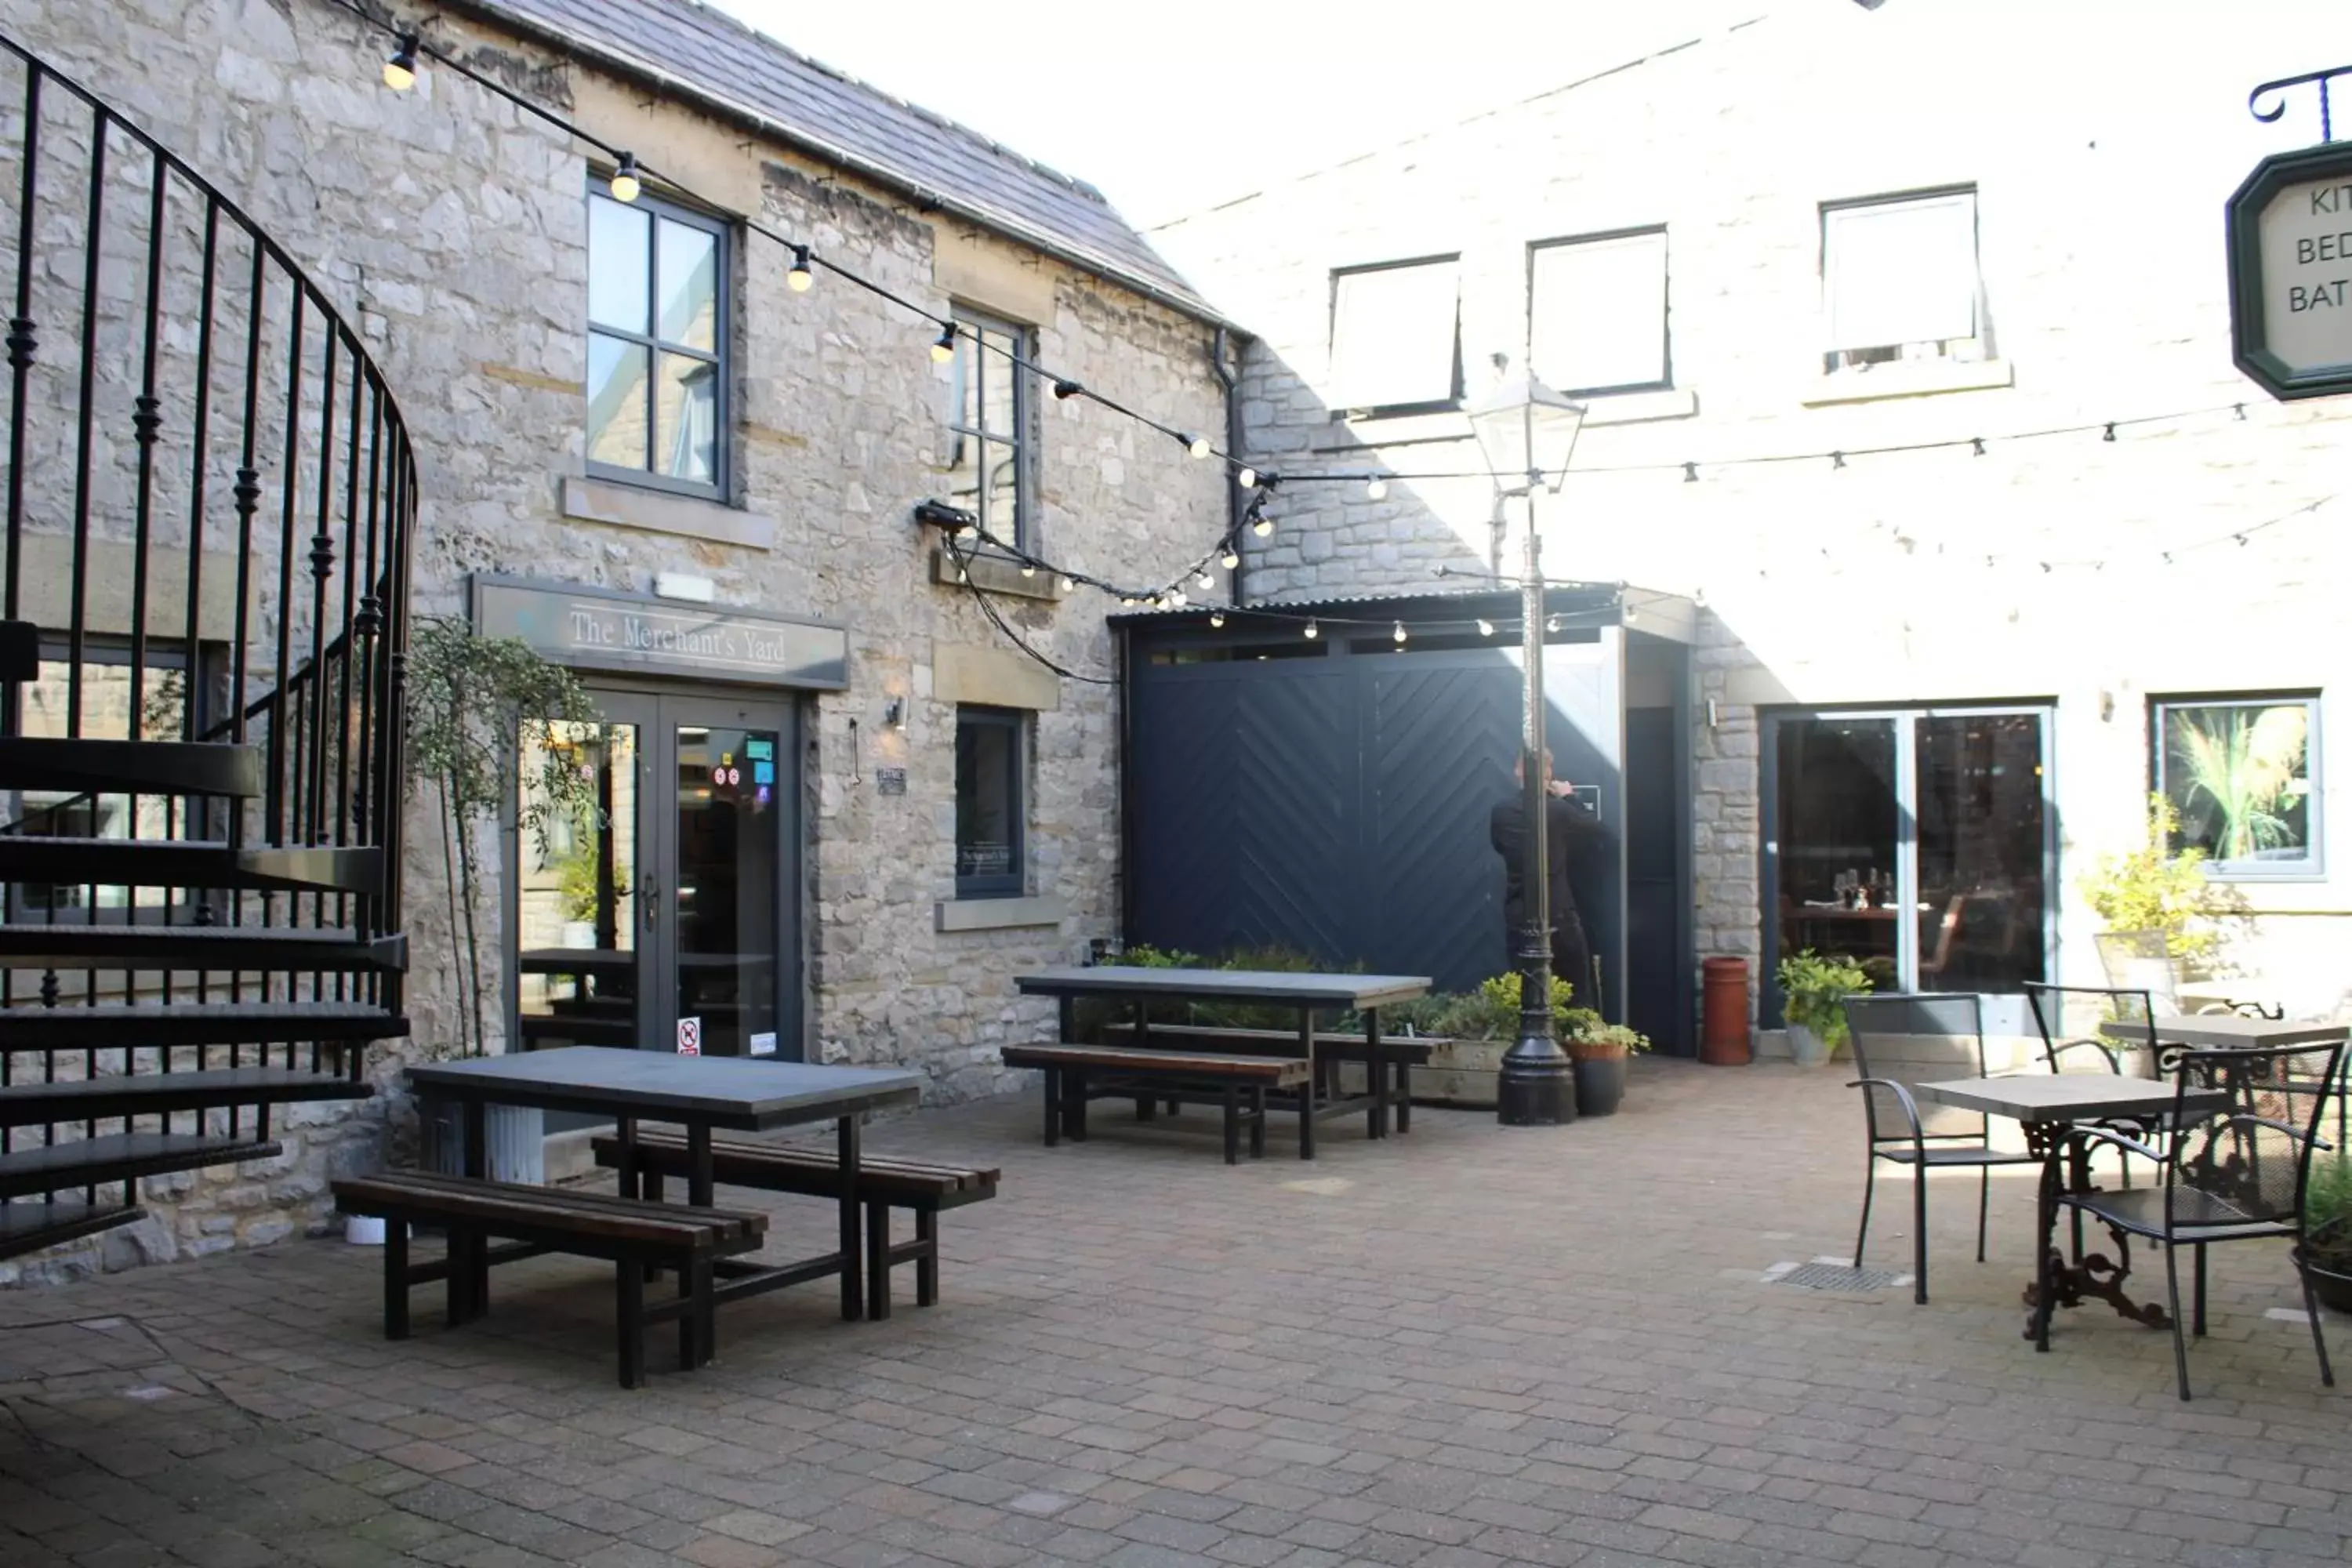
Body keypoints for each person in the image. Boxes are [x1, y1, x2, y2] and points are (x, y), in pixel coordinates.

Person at [1489, 749, 1611, 1011]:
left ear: (1518, 771)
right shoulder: (1559, 811)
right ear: (1548, 773)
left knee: (1526, 988)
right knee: (1577, 989)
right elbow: (1598, 831)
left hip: (1519, 913)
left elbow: (1499, 845)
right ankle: (1574, 1042)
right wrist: (1569, 798)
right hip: (1559, 914)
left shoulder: (1501, 812)